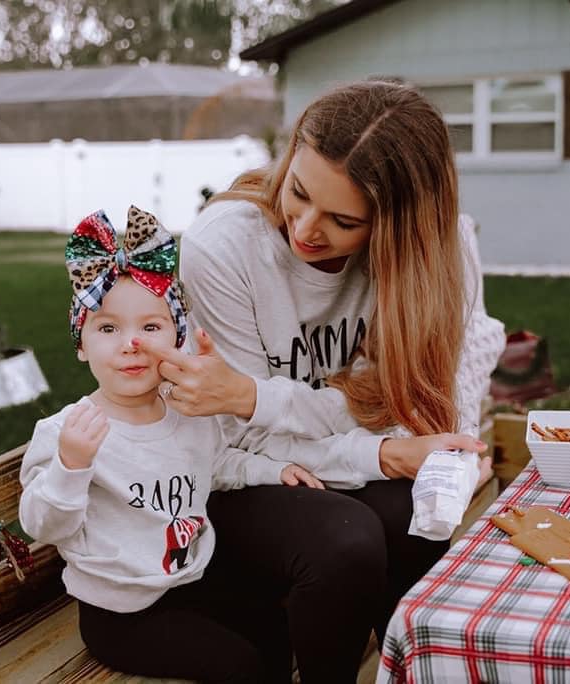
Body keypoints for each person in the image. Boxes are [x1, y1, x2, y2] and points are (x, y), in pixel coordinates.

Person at [135, 80, 507, 682]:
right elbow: (241, 433)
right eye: (298, 191)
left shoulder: (429, 259)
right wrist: (377, 444)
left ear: (394, 227)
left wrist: (431, 447)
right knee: (346, 537)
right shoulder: (226, 246)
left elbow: (407, 399)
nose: (305, 227)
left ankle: (423, 671)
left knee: (411, 516)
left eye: (343, 220)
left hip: (317, 457)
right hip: (224, 479)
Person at [18, 206, 356, 683]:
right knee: (236, 666)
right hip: (120, 611)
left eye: (150, 327)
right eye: (108, 328)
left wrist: (270, 471)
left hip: (190, 579)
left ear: (178, 335)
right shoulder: (69, 432)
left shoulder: (186, 414)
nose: (131, 344)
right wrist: (70, 468)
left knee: (271, 627)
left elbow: (217, 464)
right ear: (81, 344)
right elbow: (43, 524)